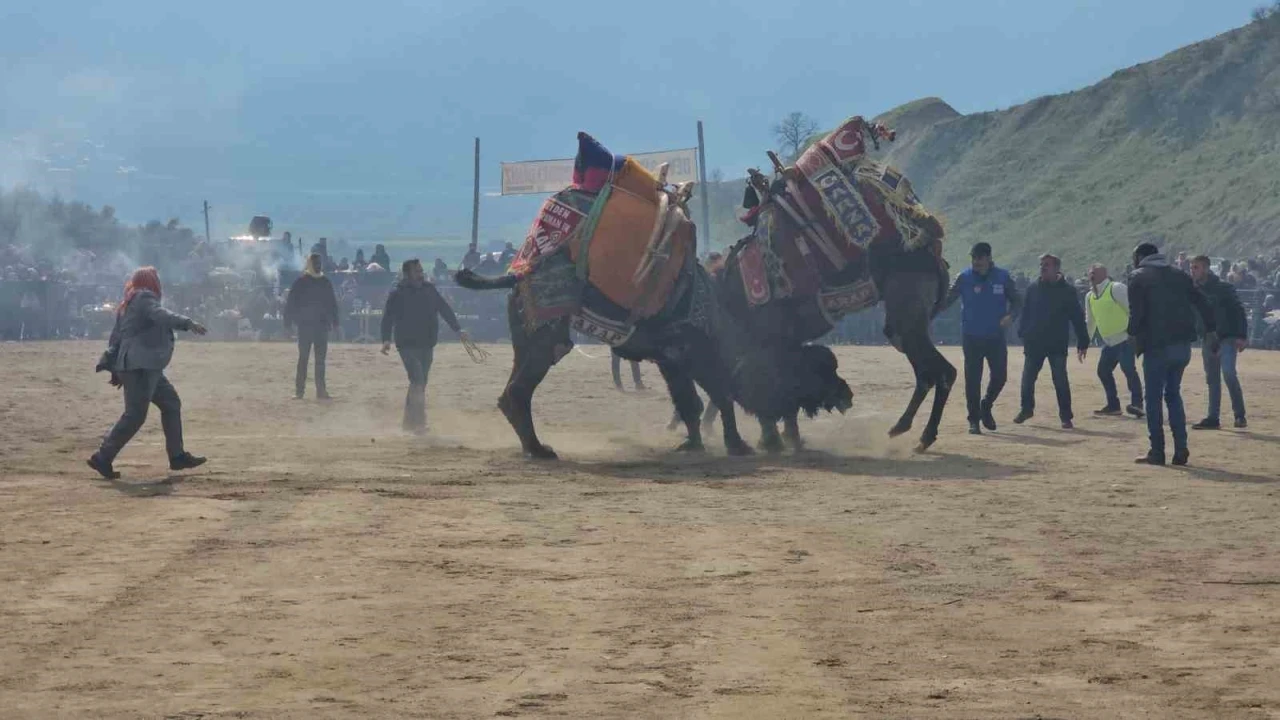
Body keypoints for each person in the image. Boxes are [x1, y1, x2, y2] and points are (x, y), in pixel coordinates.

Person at [87, 267, 208, 479]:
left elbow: (116, 337)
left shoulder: (128, 302)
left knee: (171, 403)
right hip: (142, 365)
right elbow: (160, 315)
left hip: (141, 365)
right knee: (135, 415)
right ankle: (103, 456)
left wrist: (117, 367)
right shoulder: (144, 297)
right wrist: (187, 323)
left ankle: (177, 455)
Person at [1127, 243, 1217, 465]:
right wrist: (1211, 329)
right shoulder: (1179, 275)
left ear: (1139, 257)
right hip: (1182, 345)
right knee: (1173, 395)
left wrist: (1131, 334)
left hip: (1156, 345)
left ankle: (1157, 451)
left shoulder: (1138, 276)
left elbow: (1136, 314)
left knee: (1153, 399)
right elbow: (1202, 302)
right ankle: (1181, 448)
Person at [381, 259, 469, 434]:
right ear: (407, 274)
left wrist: (458, 329)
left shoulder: (429, 290)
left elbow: (444, 309)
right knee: (418, 380)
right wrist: (385, 340)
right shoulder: (397, 293)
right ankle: (419, 423)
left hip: (427, 343)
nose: (420, 274)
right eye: (417, 271)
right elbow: (387, 318)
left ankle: (408, 423)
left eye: (421, 271)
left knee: (419, 383)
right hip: (406, 344)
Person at [943, 242, 1020, 435]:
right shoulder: (964, 277)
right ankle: (973, 420)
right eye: (973, 258)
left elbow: (1018, 300)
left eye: (979, 258)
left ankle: (986, 404)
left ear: (988, 258)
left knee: (1000, 377)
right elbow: (947, 299)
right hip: (971, 336)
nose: (976, 262)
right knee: (973, 379)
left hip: (995, 336)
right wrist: (927, 309)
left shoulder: (1002, 277)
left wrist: (1011, 316)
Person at [1014, 253, 1089, 429]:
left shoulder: (1068, 291)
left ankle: (1066, 416)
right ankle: (1026, 409)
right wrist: (1022, 332)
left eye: (1046, 265)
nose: (1042, 267)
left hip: (1057, 343)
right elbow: (1026, 312)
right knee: (1027, 379)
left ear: (1056, 268)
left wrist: (1083, 341)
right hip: (1035, 342)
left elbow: (1077, 317)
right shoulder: (1033, 288)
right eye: (1041, 264)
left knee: (1060, 380)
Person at [1189, 255, 1250, 429]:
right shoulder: (1193, 291)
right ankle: (1213, 418)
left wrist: (1242, 336)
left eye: (1196, 267)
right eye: (1192, 267)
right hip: (1208, 338)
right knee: (1212, 379)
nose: (1193, 271)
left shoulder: (1223, 287)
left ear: (1206, 268)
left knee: (1229, 374)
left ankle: (1240, 415)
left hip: (1227, 336)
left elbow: (1239, 311)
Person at [1084, 263, 1143, 417]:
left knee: (1129, 370)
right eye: (1089, 273)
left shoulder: (1116, 288)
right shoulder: (1089, 296)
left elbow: (1131, 310)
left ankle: (1138, 404)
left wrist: (1134, 333)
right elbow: (1090, 321)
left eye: (1093, 273)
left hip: (1125, 339)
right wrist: (1085, 342)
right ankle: (1113, 405)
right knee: (1103, 371)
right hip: (1109, 342)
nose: (1090, 276)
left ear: (1104, 274)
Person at [284, 253, 340, 400]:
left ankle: (321, 391)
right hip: (305, 327)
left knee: (320, 361)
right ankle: (299, 391)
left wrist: (335, 322)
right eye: (315, 262)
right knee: (303, 359)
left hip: (322, 327)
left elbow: (332, 304)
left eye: (319, 263)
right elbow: (291, 303)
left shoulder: (325, 282)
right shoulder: (301, 282)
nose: (318, 265)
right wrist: (288, 323)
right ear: (309, 264)